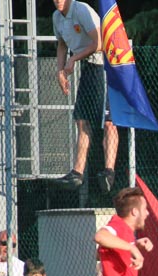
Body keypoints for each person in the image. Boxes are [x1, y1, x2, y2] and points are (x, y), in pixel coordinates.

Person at [50, 0, 118, 192]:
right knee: (81, 119)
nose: (58, 1)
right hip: (88, 66)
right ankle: (77, 173)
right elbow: (62, 45)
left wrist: (73, 59)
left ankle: (109, 171)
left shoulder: (82, 10)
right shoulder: (57, 17)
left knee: (108, 121)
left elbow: (100, 43)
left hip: (104, 65)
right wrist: (60, 71)